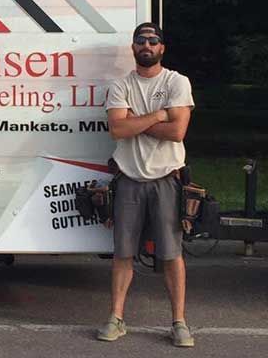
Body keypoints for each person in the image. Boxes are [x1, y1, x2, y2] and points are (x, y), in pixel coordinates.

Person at [97, 22, 195, 347]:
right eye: (141, 40)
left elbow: (177, 132)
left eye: (153, 41)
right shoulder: (120, 85)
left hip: (167, 178)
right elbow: (117, 131)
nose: (147, 45)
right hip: (129, 179)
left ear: (162, 48)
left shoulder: (177, 82)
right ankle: (116, 317)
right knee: (122, 254)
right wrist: (156, 116)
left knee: (171, 254)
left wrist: (135, 121)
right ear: (133, 47)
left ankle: (179, 323)